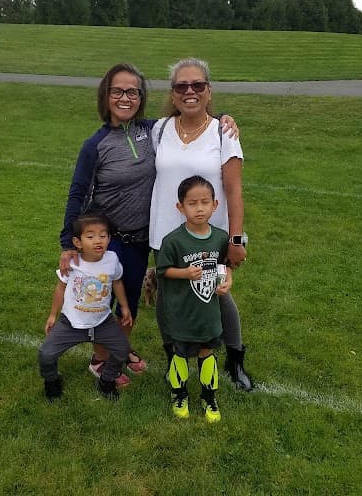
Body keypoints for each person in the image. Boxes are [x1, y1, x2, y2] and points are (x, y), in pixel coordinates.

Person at [59, 63, 238, 389]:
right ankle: (100, 361)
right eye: (117, 91)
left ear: (141, 97)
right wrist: (67, 244)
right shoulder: (95, 145)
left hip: (143, 237)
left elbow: (192, 114)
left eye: (132, 92)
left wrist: (223, 116)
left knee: (129, 303)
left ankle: (120, 349)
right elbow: (77, 194)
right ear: (106, 95)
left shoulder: (153, 130)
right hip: (109, 240)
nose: (125, 98)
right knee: (105, 303)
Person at [149, 57, 254, 392]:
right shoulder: (160, 129)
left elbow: (235, 190)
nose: (189, 91)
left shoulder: (223, 133)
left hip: (207, 237)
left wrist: (236, 239)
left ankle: (235, 359)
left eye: (198, 85)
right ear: (173, 93)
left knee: (216, 297)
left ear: (209, 91)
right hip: (165, 235)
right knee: (169, 299)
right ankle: (174, 361)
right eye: (182, 86)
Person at [156, 175, 233, 422]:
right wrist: (185, 273)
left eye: (204, 202)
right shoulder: (173, 241)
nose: (199, 208)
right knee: (181, 352)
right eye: (192, 203)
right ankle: (179, 394)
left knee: (207, 352)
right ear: (180, 207)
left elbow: (225, 265)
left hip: (208, 313)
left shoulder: (220, 238)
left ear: (215, 205)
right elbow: (162, 271)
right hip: (182, 313)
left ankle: (209, 397)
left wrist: (228, 280)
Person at [38, 213, 133, 401]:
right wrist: (52, 315)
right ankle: (52, 380)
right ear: (78, 242)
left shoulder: (112, 259)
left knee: (122, 350)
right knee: (46, 354)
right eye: (90, 236)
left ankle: (106, 381)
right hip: (71, 322)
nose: (98, 240)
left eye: (103, 235)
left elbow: (117, 282)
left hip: (102, 322)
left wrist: (124, 307)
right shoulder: (71, 263)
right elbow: (60, 287)